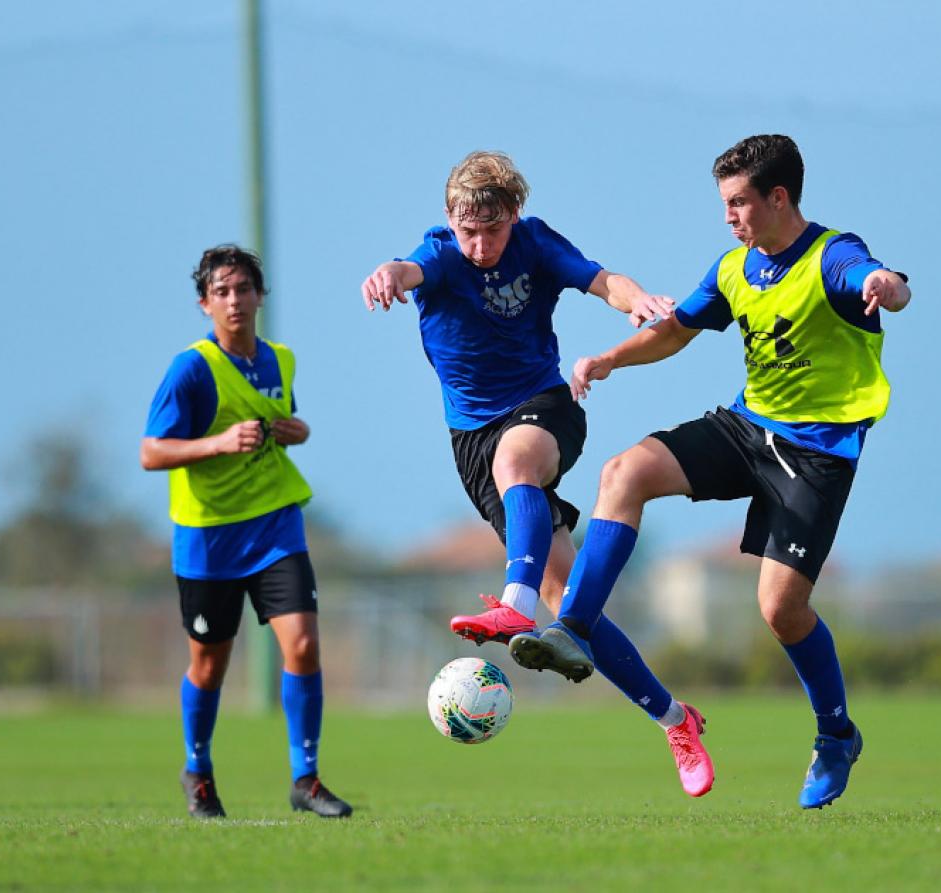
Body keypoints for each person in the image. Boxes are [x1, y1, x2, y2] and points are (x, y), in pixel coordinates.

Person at [508, 134, 911, 809]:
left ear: (778, 198)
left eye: (739, 203)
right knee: (624, 471)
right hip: (746, 428)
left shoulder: (834, 254)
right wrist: (609, 358)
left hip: (817, 454)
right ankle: (573, 627)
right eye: (724, 203)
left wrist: (885, 286)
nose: (728, 216)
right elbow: (675, 329)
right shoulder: (735, 267)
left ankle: (836, 734)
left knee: (780, 609)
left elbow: (876, 279)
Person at [362, 151, 674, 650]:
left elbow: (602, 280)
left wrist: (636, 299)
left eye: (494, 231)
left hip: (545, 406)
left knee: (515, 459)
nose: (481, 246)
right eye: (469, 233)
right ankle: (675, 718)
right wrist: (387, 274)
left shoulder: (536, 243)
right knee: (569, 601)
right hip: (471, 440)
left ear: (514, 216)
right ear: (450, 220)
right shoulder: (440, 255)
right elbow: (405, 270)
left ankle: (514, 608)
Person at [141, 245, 350, 820]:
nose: (234, 300)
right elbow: (150, 452)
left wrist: (296, 431)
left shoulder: (281, 360)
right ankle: (198, 770)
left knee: (303, 645)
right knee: (210, 663)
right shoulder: (190, 369)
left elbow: (281, 420)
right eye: (222, 291)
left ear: (261, 295)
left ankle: (306, 780)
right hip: (208, 538)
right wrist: (217, 443)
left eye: (243, 288)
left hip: (276, 524)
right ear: (204, 303)